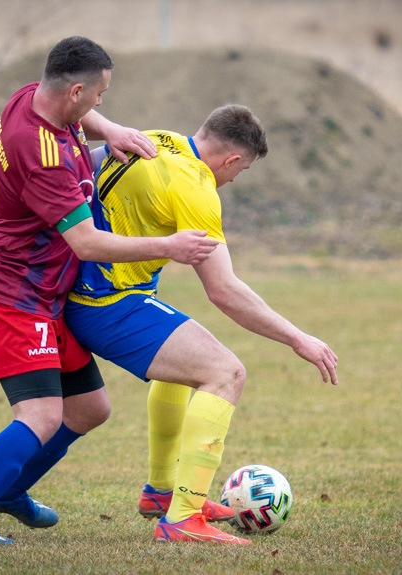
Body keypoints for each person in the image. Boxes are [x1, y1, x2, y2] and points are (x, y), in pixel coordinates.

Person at [0, 36, 218, 546]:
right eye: (100, 95)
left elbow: (83, 122)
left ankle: (11, 492)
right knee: (41, 414)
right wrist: (168, 245)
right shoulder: (45, 158)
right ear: (76, 90)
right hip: (11, 295)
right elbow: (85, 243)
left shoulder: (31, 98)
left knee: (89, 409)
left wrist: (111, 131)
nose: (101, 103)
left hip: (41, 294)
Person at [65, 104, 339, 545]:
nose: (234, 180)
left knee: (186, 364)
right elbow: (224, 291)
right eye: (242, 171)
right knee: (225, 372)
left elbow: (83, 169)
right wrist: (298, 339)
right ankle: (183, 518)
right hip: (104, 302)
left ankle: (161, 492)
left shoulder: (155, 138)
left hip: (88, 291)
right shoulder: (196, 186)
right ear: (232, 160)